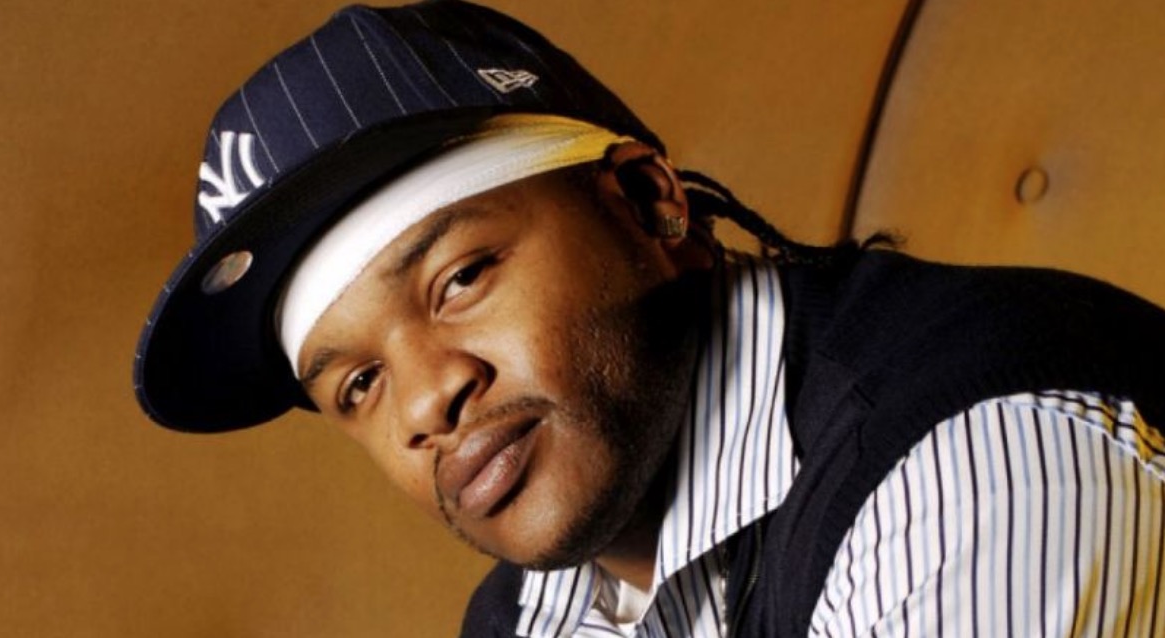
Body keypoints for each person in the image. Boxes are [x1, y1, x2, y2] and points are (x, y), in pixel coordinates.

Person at [134, 1, 1165, 636]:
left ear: (647, 201)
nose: (425, 401)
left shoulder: (975, 466)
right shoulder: (532, 611)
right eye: (358, 383)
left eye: (461, 278)